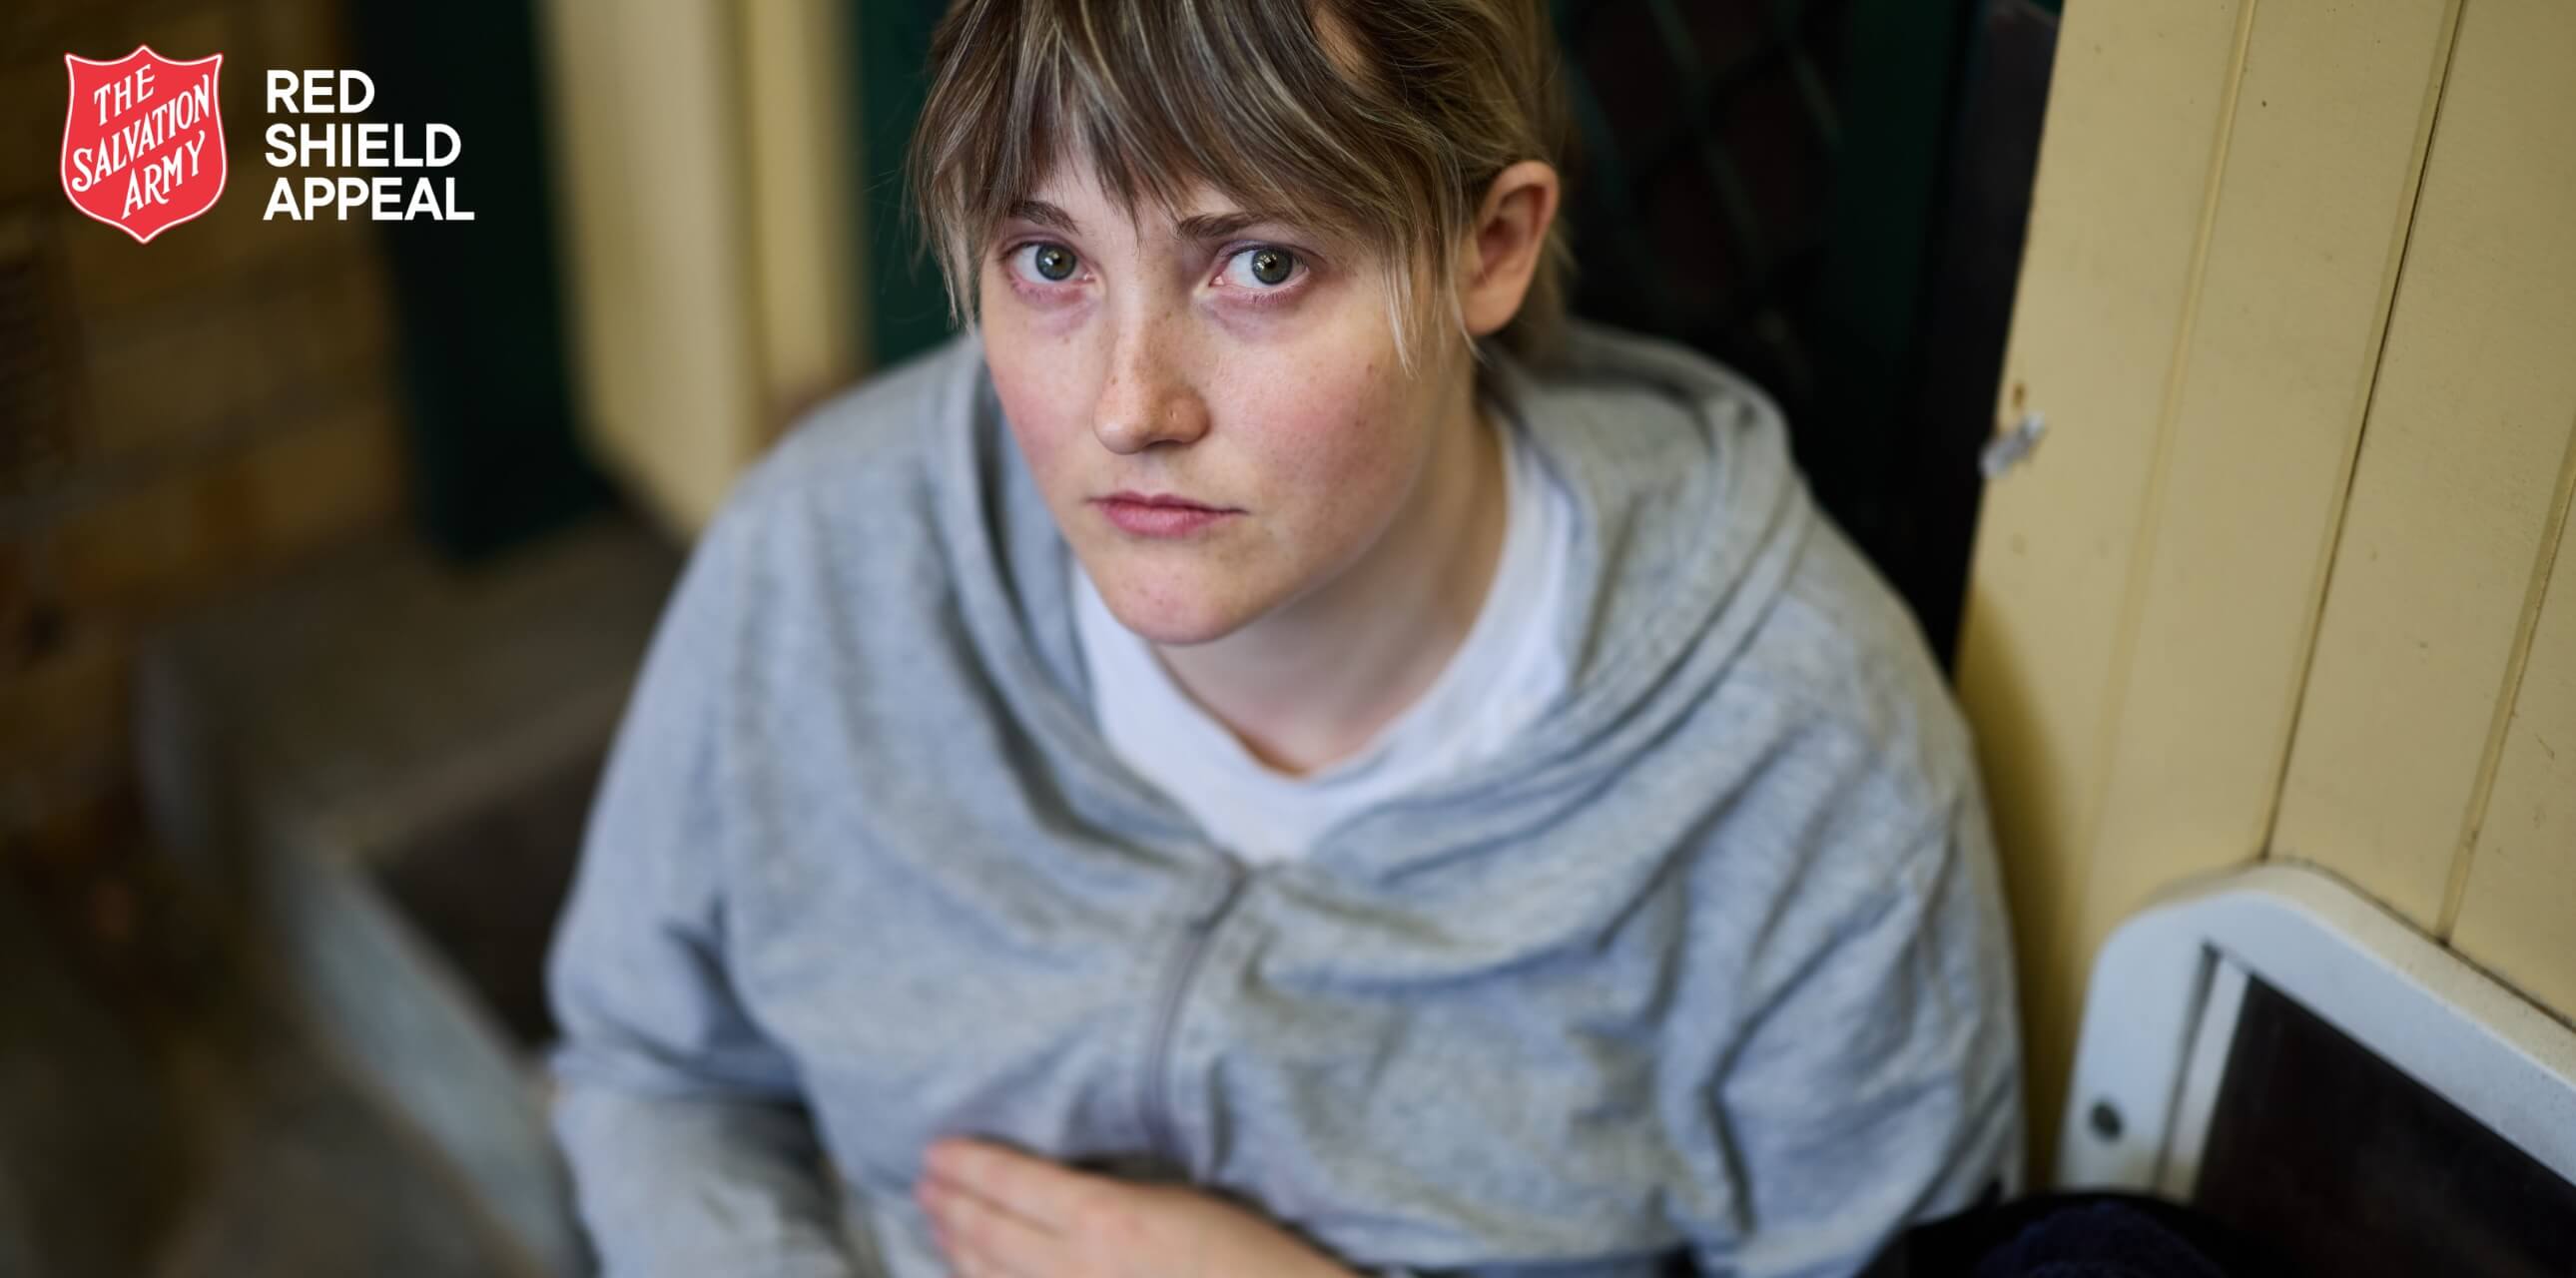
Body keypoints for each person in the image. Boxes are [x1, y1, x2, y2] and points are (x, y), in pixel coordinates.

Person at [543, 0, 2025, 1274]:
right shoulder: (827, 549)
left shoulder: (1804, 753)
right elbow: (652, 1069)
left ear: (1490, 246)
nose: (1130, 406)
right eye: (1050, 262)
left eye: (1257, 264)